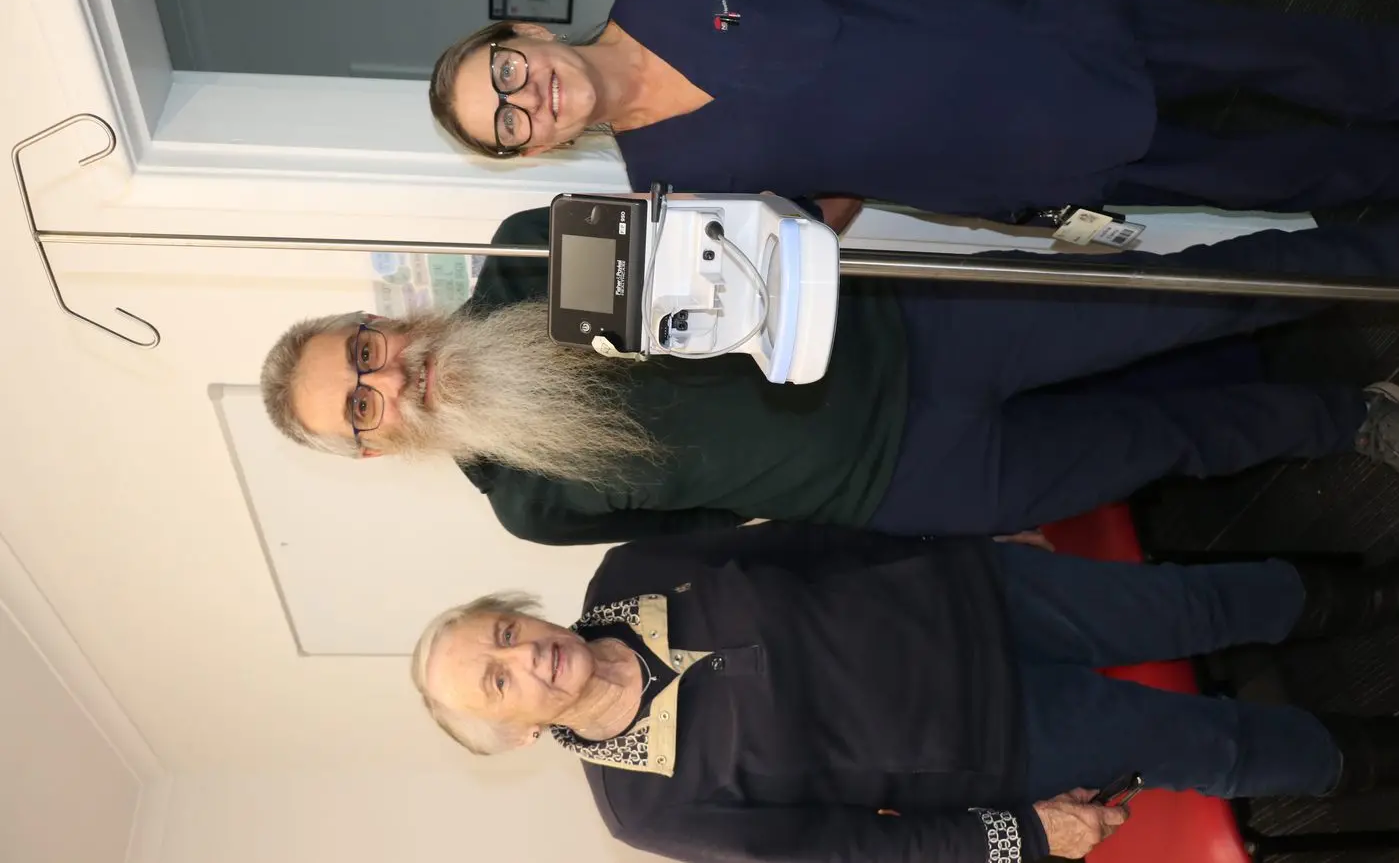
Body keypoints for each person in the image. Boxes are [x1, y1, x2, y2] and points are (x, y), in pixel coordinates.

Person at [260, 206, 1399, 545]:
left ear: (378, 318)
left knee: (1189, 298)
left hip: (923, 329)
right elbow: (714, 513)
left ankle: (1369, 262)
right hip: (912, 482)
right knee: (1164, 444)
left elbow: (719, 232)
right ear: (374, 443)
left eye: (365, 350)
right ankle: (1351, 418)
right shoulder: (527, 504)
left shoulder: (525, 254)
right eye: (362, 403)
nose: (392, 377)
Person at [409, 520, 1399, 863]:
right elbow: (853, 846)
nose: (527, 656)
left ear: (519, 610)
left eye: (504, 631)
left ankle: (1371, 591)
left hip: (983, 598)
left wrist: (967, 542)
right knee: (1207, 747)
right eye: (499, 680)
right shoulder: (645, 807)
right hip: (999, 743)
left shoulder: (628, 573)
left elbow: (803, 544)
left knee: (1191, 605)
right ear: (517, 732)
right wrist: (1021, 836)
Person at [427, 0, 1399, 231]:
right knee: (1259, 176)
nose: (528, 99)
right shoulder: (669, 194)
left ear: (523, 32)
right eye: (508, 124)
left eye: (506, 72)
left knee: (1278, 54)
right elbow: (812, 222)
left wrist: (894, 7)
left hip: (1041, 29)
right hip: (1020, 164)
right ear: (534, 150)